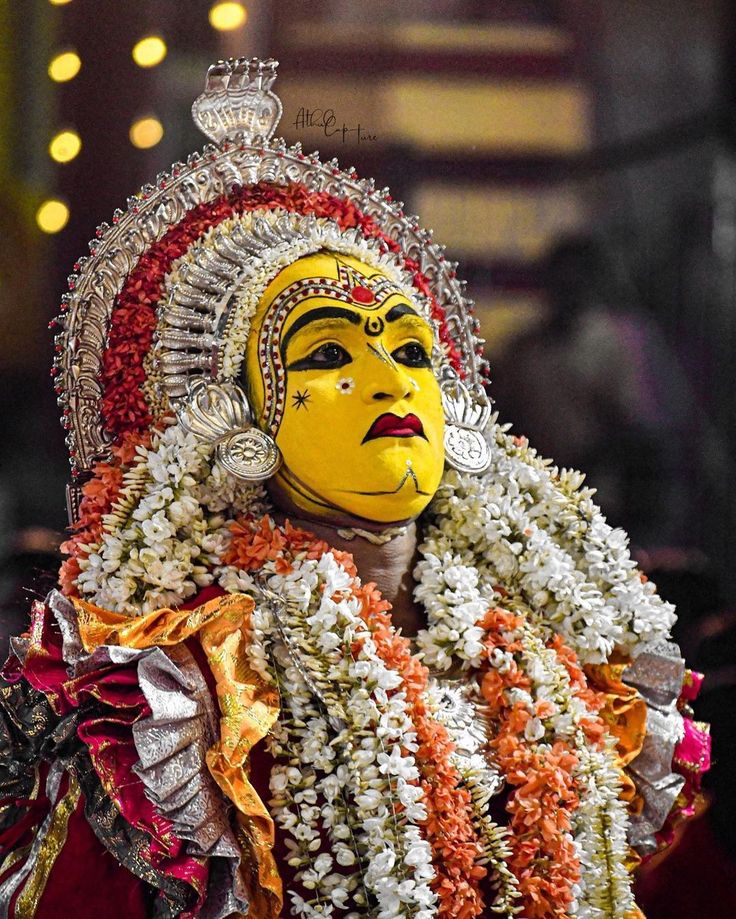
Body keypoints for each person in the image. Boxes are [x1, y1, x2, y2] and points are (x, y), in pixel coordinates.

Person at [0, 58, 709, 919]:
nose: (390, 382)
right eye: (330, 354)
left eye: (411, 351)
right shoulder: (185, 692)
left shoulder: (564, 654)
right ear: (239, 420)